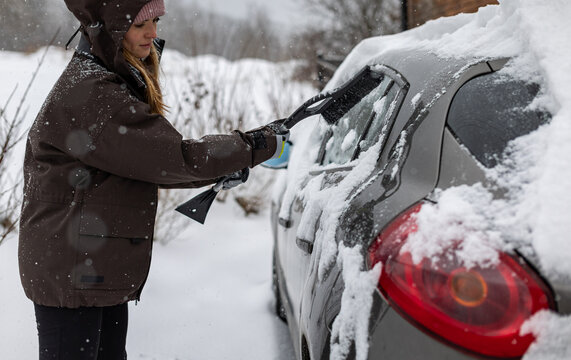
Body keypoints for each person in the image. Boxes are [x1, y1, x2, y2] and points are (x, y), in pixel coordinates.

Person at [18, 0, 288, 358]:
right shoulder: (95, 95)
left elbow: (155, 162)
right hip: (72, 273)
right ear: (113, 28)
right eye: (140, 24)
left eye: (156, 20)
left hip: (90, 267)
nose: (153, 33)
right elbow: (177, 159)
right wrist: (255, 145)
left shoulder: (101, 77)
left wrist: (236, 158)